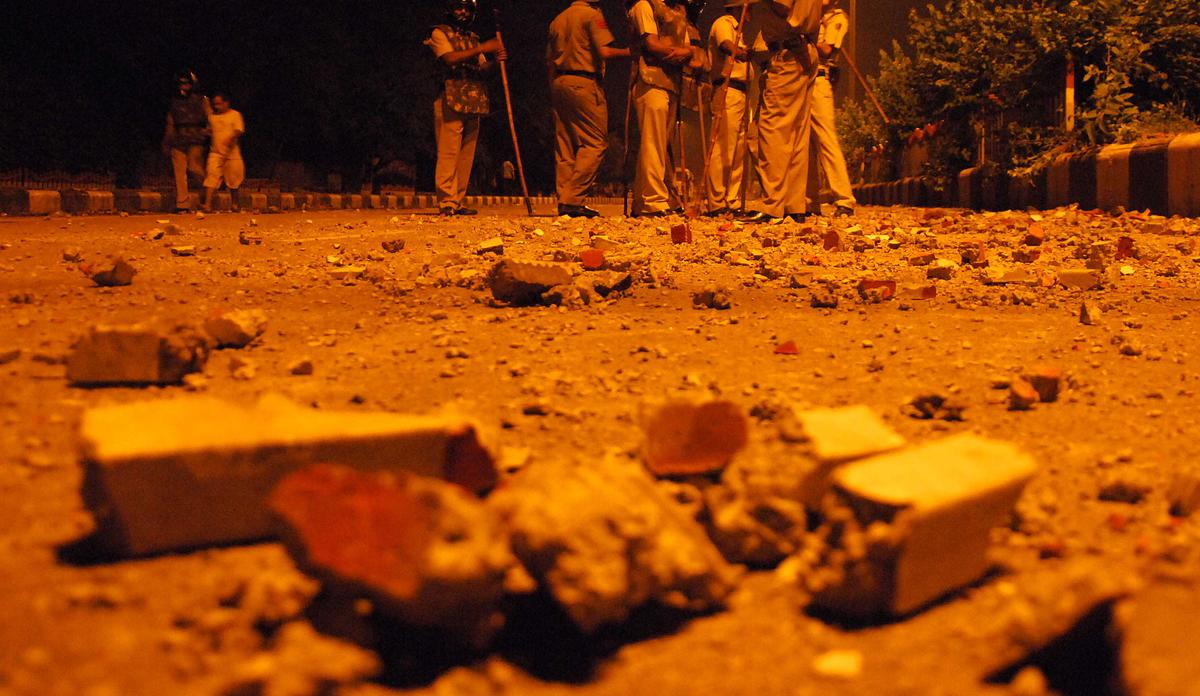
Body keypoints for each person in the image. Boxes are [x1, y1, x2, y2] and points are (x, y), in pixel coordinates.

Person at [739, 0, 822, 223]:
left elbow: (782, 4)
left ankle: (772, 204)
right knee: (796, 132)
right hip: (804, 48)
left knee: (773, 127)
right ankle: (793, 205)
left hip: (788, 51)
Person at [548, 0, 631, 218]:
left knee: (565, 145)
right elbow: (604, 51)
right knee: (594, 143)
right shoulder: (592, 15)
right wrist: (629, 52)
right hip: (584, 81)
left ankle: (564, 200)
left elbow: (549, 60)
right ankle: (573, 199)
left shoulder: (558, 19)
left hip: (559, 81)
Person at [425, 0, 507, 216]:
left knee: (466, 154)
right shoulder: (439, 33)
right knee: (449, 150)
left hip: (474, 98)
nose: (463, 12)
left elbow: (482, 68)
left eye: (467, 9)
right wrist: (482, 48)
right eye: (459, 7)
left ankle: (458, 200)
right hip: (450, 96)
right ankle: (446, 201)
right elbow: (449, 59)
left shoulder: (472, 38)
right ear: (449, 9)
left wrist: (497, 61)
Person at [627, 0, 693, 218]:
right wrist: (679, 53)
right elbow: (652, 44)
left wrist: (682, 53)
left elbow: (689, 48)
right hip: (650, 77)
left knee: (660, 145)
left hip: (671, 81)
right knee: (652, 143)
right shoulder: (644, 6)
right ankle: (653, 201)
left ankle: (644, 201)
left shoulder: (678, 12)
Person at [805, 0, 856, 216]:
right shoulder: (814, 15)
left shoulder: (837, 18)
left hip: (819, 80)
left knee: (827, 140)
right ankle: (808, 201)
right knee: (805, 145)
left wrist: (804, 37)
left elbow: (826, 50)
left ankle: (844, 199)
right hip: (803, 79)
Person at [704, 0, 751, 216]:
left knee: (738, 149)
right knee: (723, 146)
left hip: (742, 92)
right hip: (727, 88)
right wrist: (744, 53)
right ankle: (717, 201)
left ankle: (731, 200)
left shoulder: (740, 30)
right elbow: (726, 46)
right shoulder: (725, 23)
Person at [162, 70, 210, 213]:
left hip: (196, 137)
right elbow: (170, 122)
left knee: (194, 168)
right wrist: (167, 141)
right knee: (179, 172)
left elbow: (210, 118)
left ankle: (206, 192)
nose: (184, 86)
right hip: (179, 138)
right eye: (181, 83)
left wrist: (207, 131)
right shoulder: (174, 102)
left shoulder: (202, 100)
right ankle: (182, 203)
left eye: (186, 83)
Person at [202, 93, 245, 213]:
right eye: (214, 104)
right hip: (215, 152)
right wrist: (204, 132)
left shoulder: (235, 115)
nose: (216, 106)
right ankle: (207, 204)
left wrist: (231, 138)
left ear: (226, 103)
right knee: (211, 175)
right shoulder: (212, 117)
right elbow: (210, 130)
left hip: (232, 153)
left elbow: (238, 131)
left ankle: (235, 204)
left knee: (233, 181)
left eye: (219, 104)